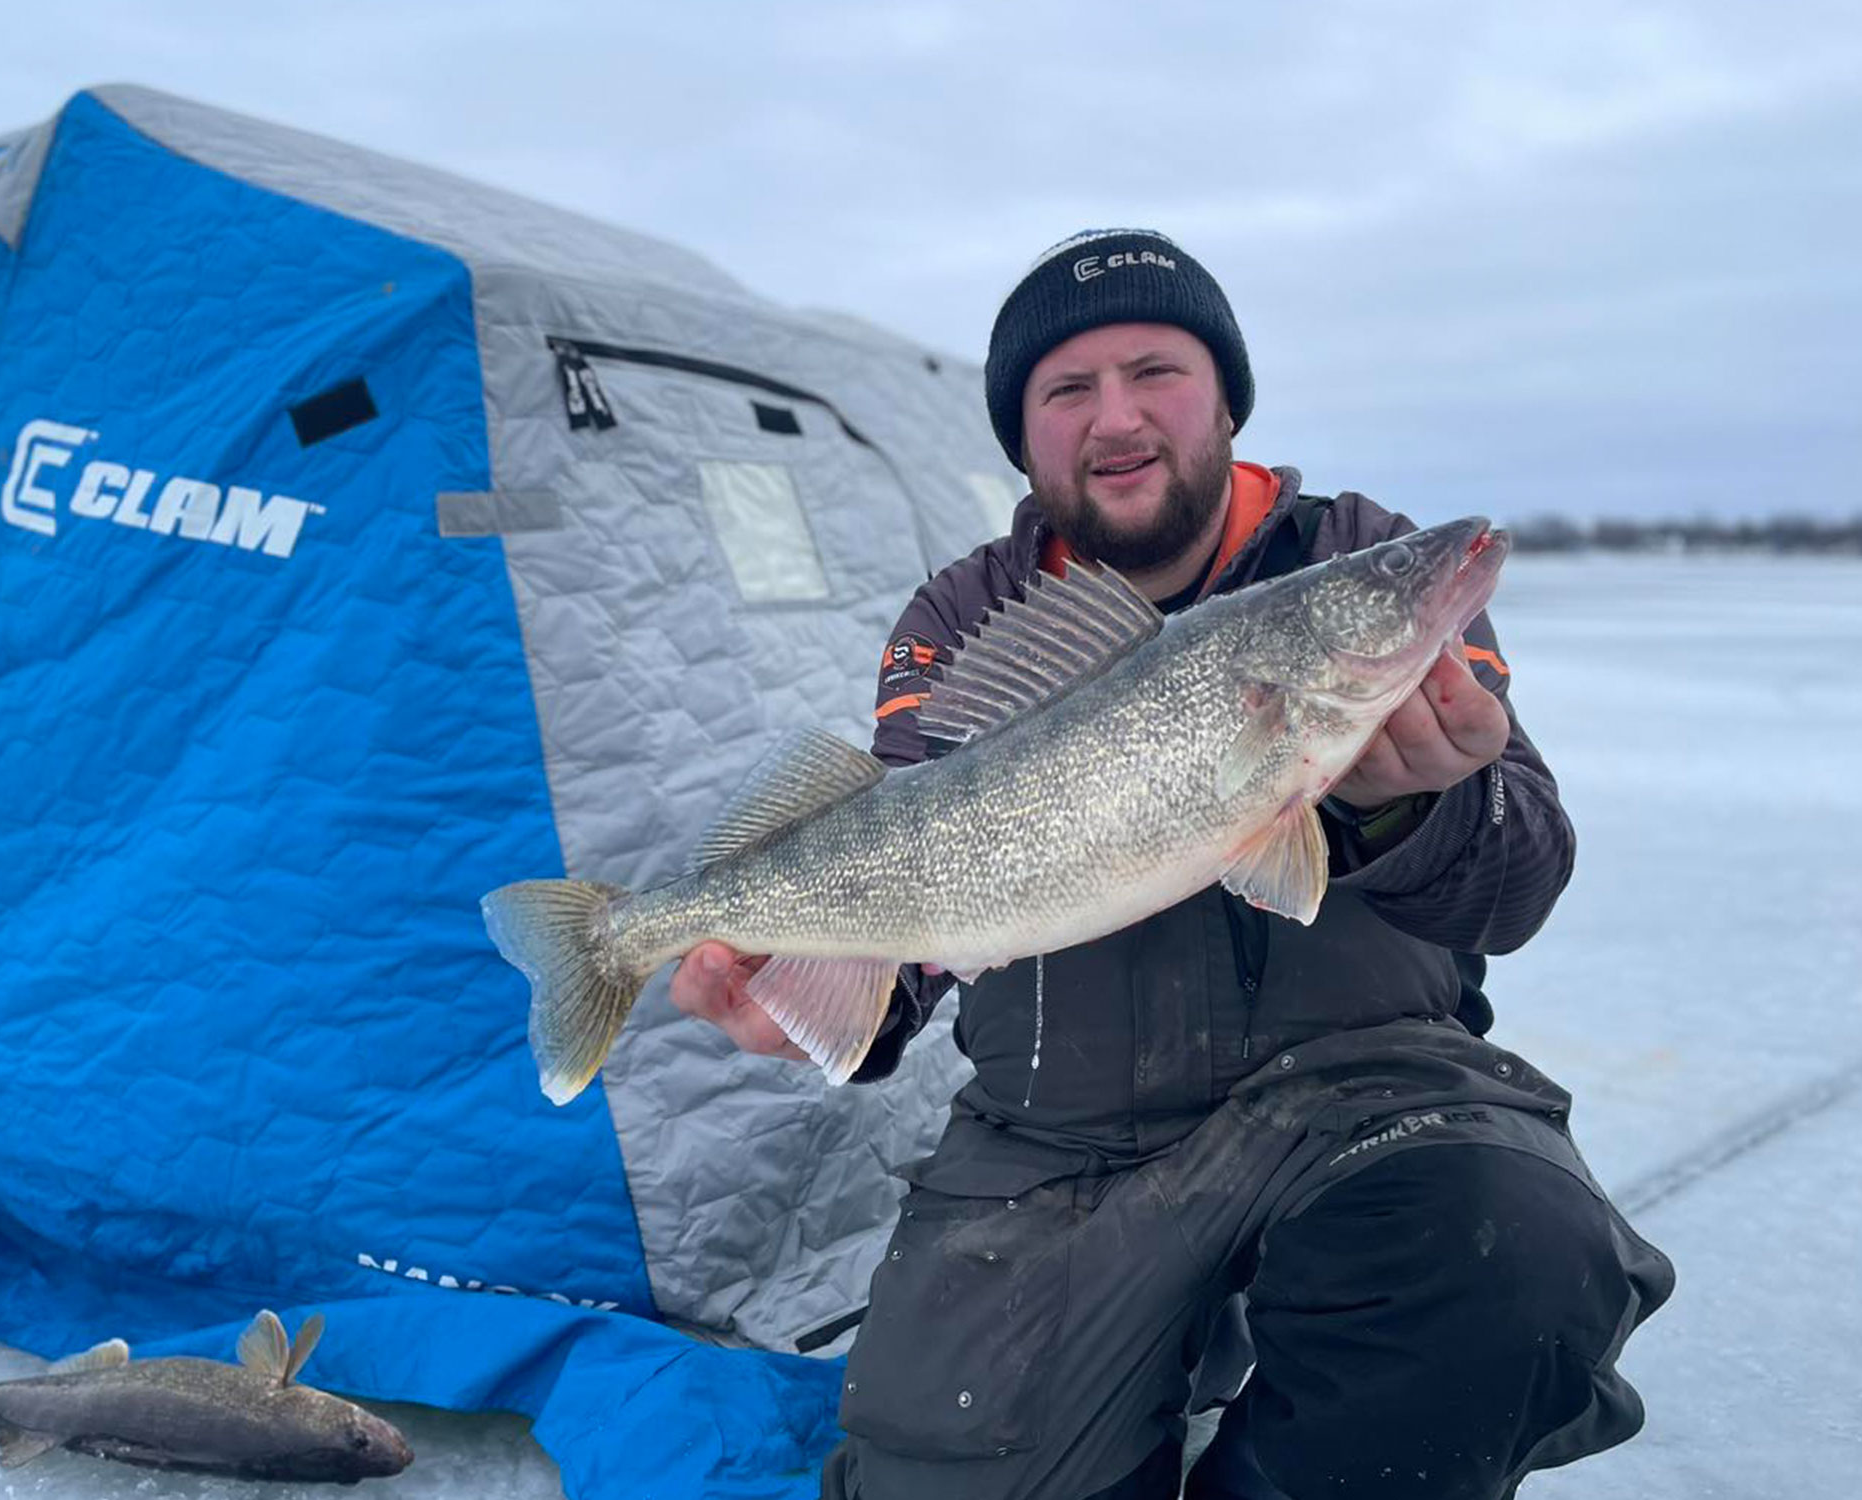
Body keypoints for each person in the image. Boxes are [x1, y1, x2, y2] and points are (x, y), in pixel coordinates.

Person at [672, 229, 1673, 1500]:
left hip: (1367, 1085)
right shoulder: (965, 618)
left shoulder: (1357, 552)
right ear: (1023, 434)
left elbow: (1522, 883)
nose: (1118, 417)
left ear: (1227, 397)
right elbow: (930, 874)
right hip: (1058, 1134)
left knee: (1509, 1261)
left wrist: (1413, 813)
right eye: (1067, 389)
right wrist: (827, 999)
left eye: (1157, 370)